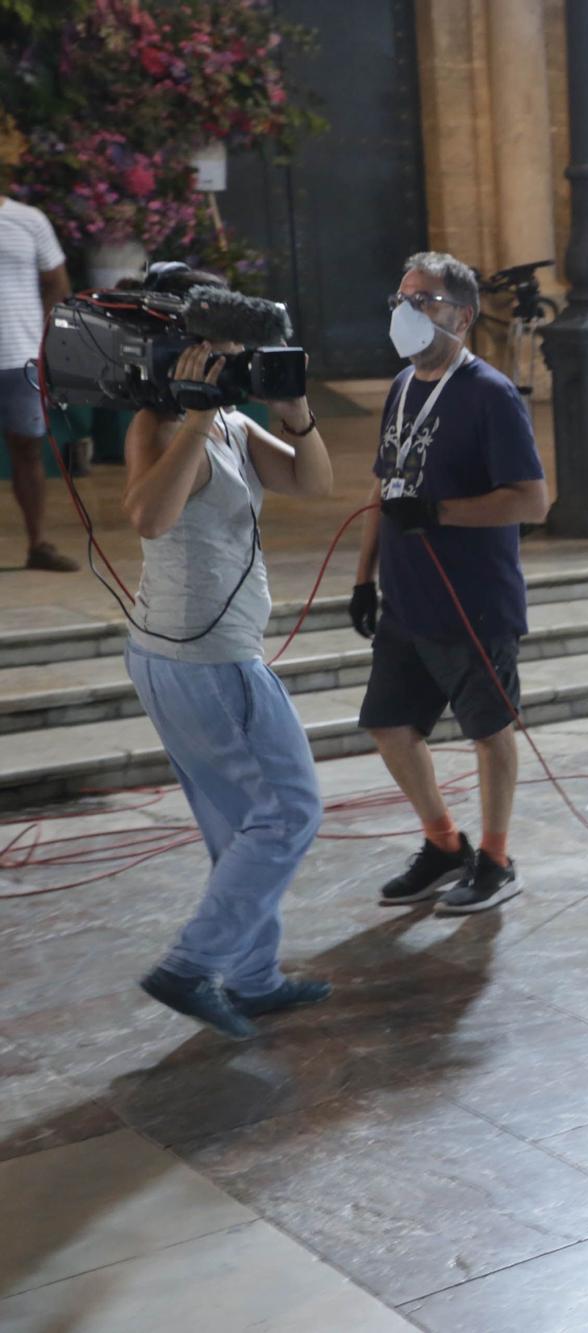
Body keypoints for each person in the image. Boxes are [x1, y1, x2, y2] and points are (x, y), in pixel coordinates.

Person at [120, 266, 335, 1039]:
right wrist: (190, 418)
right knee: (291, 812)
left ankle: (251, 974)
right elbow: (147, 516)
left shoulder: (237, 429)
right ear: (185, 350)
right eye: (222, 349)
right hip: (207, 661)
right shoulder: (161, 427)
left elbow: (315, 480)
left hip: (185, 654)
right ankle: (191, 964)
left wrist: (293, 408)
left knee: (239, 822)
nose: (233, 362)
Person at [349, 251, 549, 915]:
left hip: (472, 600)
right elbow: (383, 483)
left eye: (423, 300)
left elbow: (531, 501)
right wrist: (363, 576)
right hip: (407, 598)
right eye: (400, 299)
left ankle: (495, 857)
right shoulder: (403, 386)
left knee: (488, 729)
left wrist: (441, 513)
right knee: (388, 723)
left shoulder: (489, 394)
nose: (405, 312)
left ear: (461, 317)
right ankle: (443, 843)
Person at [0, 178, 76, 571]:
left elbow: (56, 282)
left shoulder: (28, 219)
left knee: (28, 450)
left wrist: (43, 337)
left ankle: (38, 544)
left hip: (19, 357)